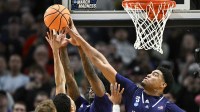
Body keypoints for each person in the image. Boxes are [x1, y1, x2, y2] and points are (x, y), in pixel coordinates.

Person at [64, 19, 185, 112]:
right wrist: (78, 38)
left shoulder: (167, 106)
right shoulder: (133, 91)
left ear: (163, 85)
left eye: (155, 75)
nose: (149, 74)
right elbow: (103, 63)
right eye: (151, 72)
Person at [35, 29, 76, 112]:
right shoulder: (67, 107)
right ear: (72, 108)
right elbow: (60, 83)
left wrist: (55, 51)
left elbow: (60, 83)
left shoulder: (58, 107)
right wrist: (55, 51)